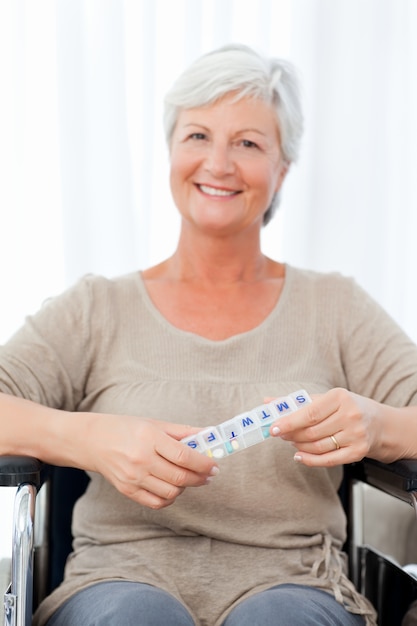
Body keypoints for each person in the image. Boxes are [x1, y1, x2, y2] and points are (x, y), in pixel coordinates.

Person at [1, 43, 417, 626]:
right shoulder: (97, 308)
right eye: (197, 135)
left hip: (294, 583)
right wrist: (87, 438)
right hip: (117, 583)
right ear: (171, 150)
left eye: (248, 143)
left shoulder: (336, 307)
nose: (218, 164)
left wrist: (382, 426)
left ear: (283, 169)